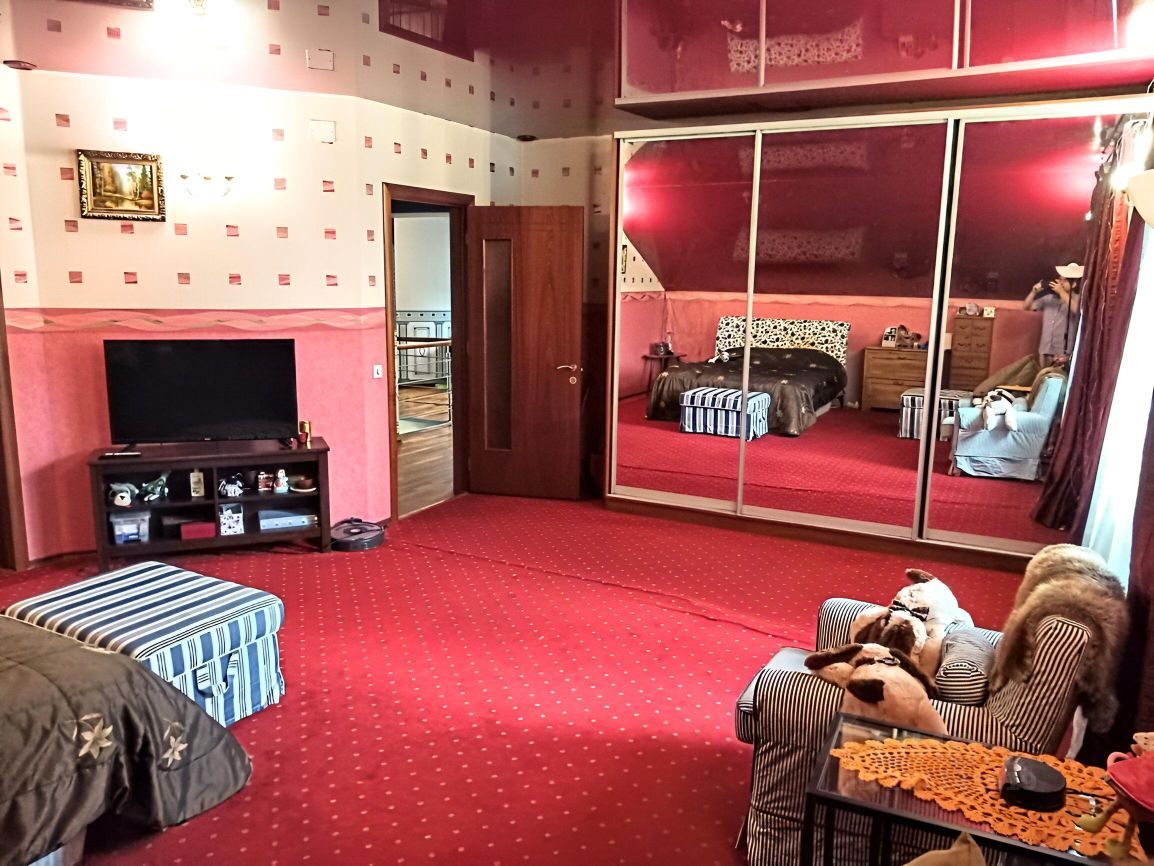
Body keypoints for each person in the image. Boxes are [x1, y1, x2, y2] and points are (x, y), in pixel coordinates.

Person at [1023, 262, 1082, 367]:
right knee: (1043, 376)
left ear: (1073, 284)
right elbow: (1026, 307)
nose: (1060, 283)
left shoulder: (1078, 299)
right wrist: (1033, 292)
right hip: (1045, 349)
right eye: (1060, 280)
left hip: (1064, 352)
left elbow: (1077, 311)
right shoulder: (1049, 299)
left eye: (1064, 281)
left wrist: (1061, 292)